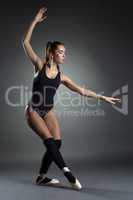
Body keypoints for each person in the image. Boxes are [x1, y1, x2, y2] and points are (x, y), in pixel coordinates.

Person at [22, 7, 121, 190]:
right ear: (51, 53)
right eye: (61, 52)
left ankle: (41, 177)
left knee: (57, 143)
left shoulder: (62, 77)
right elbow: (25, 42)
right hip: (33, 110)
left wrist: (103, 98)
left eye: (65, 52)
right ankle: (67, 172)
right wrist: (35, 21)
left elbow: (82, 92)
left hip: (48, 111)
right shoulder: (39, 65)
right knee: (50, 141)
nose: (64, 55)